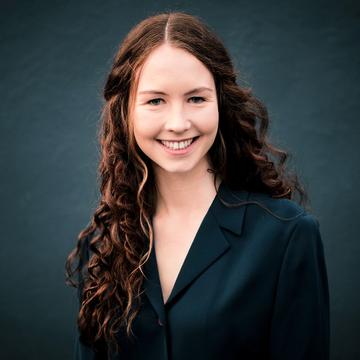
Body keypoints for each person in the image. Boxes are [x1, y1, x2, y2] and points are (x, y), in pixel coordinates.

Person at [65, 11, 330, 360]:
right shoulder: (102, 247)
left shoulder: (288, 237)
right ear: (125, 112)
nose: (178, 123)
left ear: (222, 102)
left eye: (196, 98)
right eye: (155, 100)